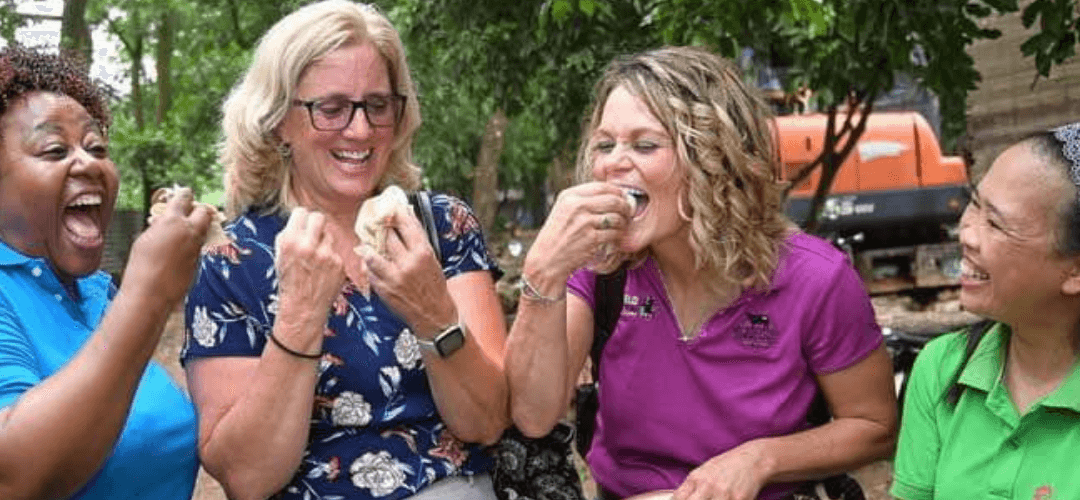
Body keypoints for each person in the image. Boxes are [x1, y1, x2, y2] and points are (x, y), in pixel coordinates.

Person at [505, 46, 898, 500]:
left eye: (645, 145)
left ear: (714, 159)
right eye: (605, 144)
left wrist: (760, 459)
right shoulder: (600, 269)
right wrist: (542, 273)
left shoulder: (816, 279)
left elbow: (873, 426)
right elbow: (533, 416)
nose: (613, 163)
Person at [181, 1, 509, 499]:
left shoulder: (442, 227)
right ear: (277, 122)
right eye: (330, 108)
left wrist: (434, 315)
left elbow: (486, 423)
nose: (360, 130)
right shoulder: (232, 260)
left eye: (377, 105)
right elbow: (246, 478)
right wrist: (298, 318)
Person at [0, 46, 210, 499]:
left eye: (96, 147)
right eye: (55, 149)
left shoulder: (96, 292)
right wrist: (149, 295)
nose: (90, 162)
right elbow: (15, 475)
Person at [891, 123, 1080, 499]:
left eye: (995, 223)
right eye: (974, 204)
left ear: (1074, 270)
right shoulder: (943, 367)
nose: (966, 233)